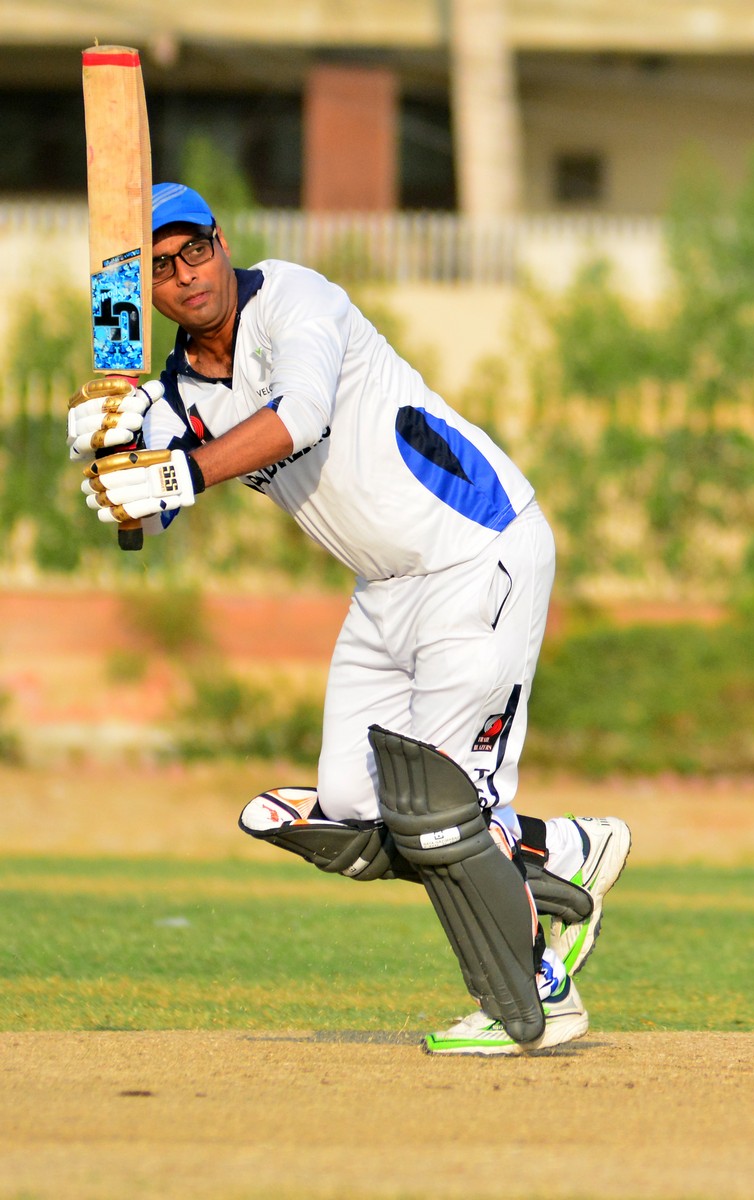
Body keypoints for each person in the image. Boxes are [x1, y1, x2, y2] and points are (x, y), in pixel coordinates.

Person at [68, 182, 631, 1055]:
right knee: (352, 804)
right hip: (384, 589)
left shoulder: (296, 298)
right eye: (161, 267)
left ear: (222, 242)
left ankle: (538, 992)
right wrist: (116, 449)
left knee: (440, 804)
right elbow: (150, 512)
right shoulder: (176, 393)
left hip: (475, 551)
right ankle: (560, 851)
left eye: (195, 250)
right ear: (143, 293)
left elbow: (296, 418)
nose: (186, 275)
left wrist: (172, 471)